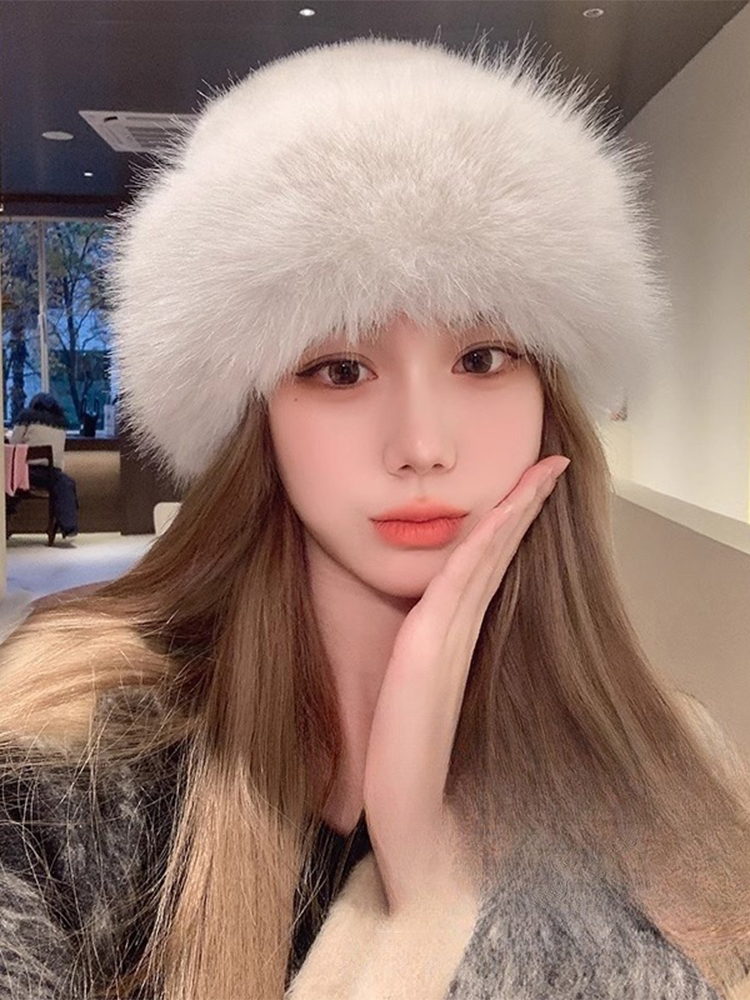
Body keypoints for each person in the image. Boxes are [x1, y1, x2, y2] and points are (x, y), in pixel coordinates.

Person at [0, 34, 748, 1000]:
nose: (422, 445)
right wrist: (419, 917)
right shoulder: (72, 779)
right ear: (255, 421)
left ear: (549, 396)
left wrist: (438, 879)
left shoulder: (670, 759)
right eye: (340, 369)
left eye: (482, 359)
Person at [6, 391, 79, 538]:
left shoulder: (26, 417)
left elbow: (14, 443)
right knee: (67, 483)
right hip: (52, 474)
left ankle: (6, 513)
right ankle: (68, 527)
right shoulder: (61, 423)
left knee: (7, 477)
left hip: (27, 473)